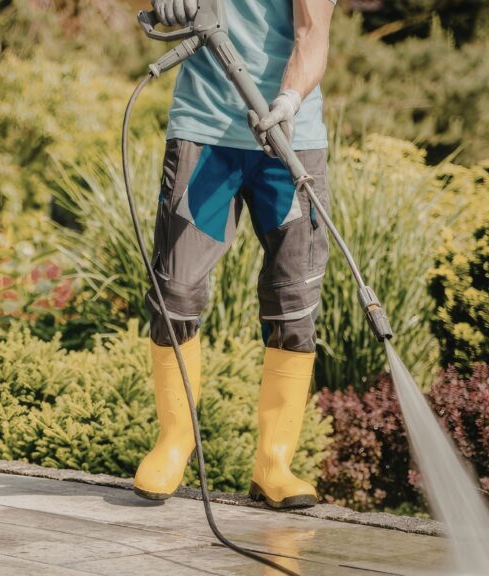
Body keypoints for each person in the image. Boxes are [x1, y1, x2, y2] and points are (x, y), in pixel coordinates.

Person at [134, 0, 337, 509]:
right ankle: (174, 443)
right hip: (205, 132)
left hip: (289, 140)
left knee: (295, 304)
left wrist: (288, 101)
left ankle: (274, 462)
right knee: (176, 290)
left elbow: (312, 36)